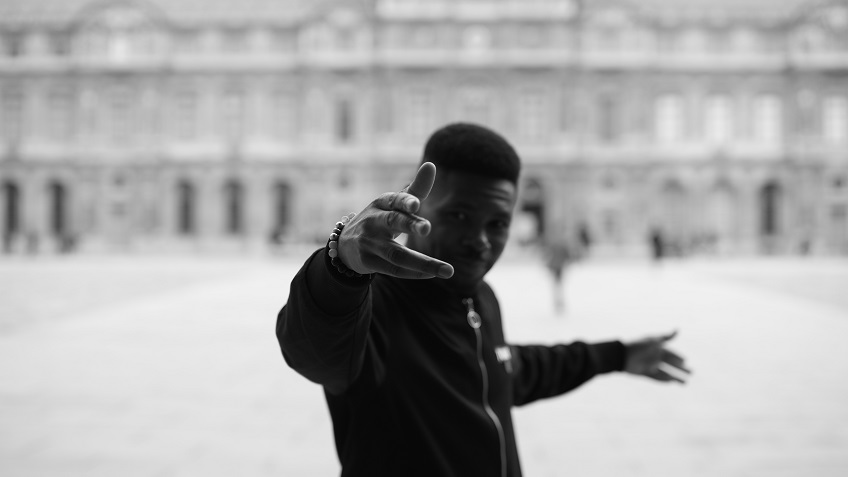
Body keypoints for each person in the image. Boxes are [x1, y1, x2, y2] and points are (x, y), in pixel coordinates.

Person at [276, 123, 690, 477]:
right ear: (417, 206)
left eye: (497, 223)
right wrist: (339, 268)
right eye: (458, 216)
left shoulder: (479, 298)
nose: (480, 240)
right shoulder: (372, 305)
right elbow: (312, 351)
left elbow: (503, 369)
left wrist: (615, 355)